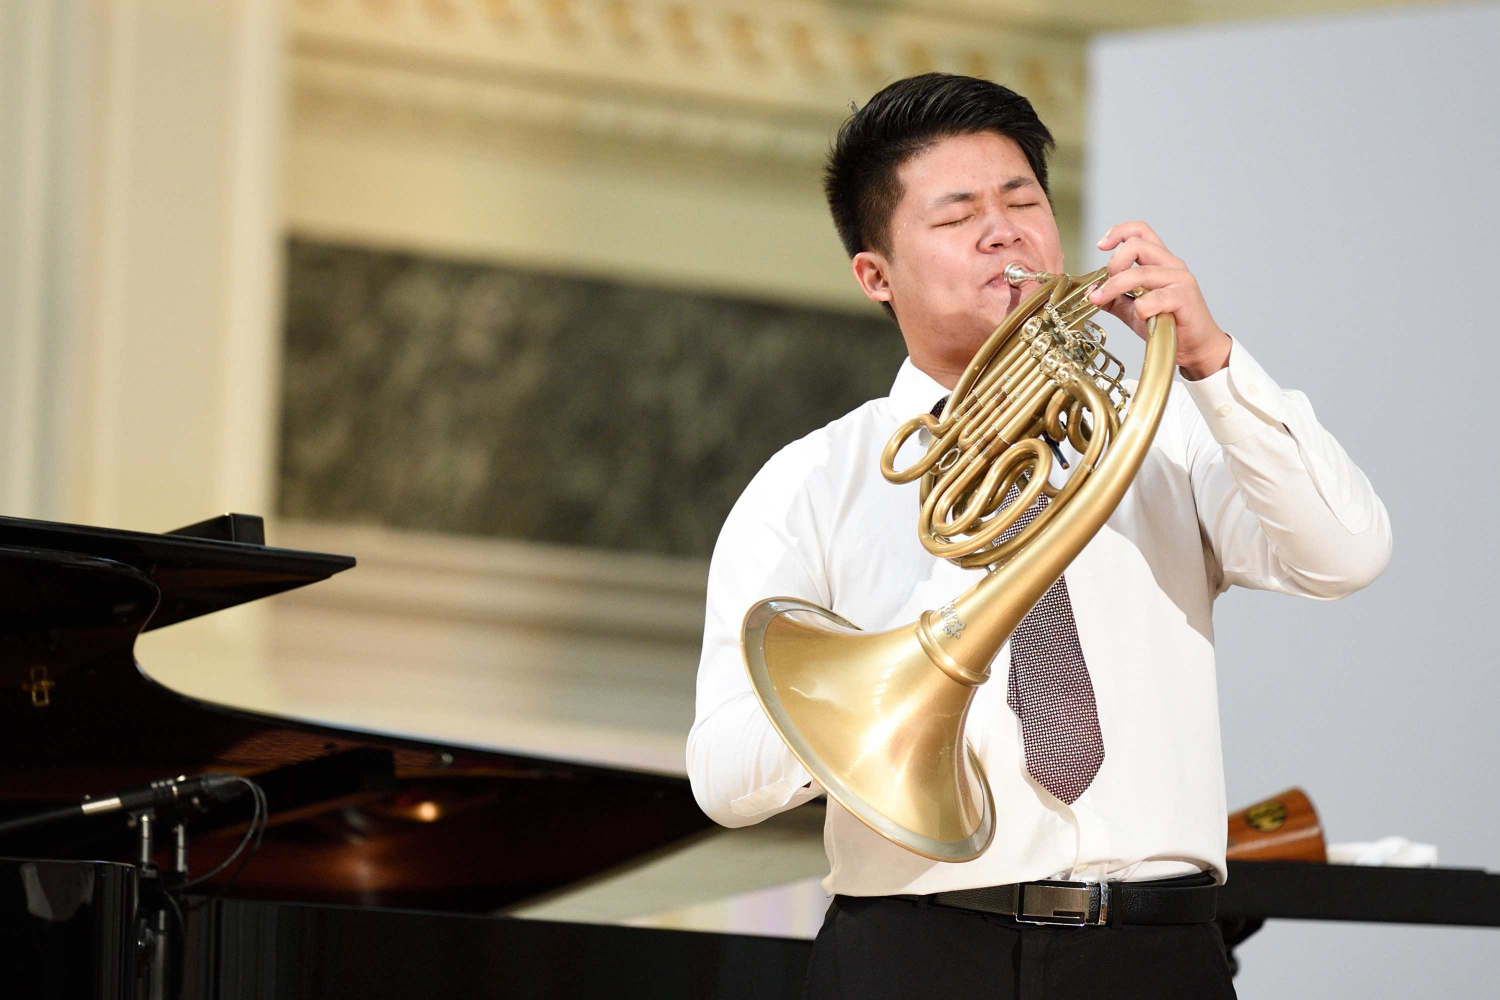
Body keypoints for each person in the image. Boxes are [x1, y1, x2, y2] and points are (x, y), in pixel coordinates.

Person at [685, 73, 1391, 999]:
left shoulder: (1165, 434)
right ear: (875, 275)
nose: (1004, 232)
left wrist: (1211, 362)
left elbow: (1345, 554)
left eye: (1023, 202)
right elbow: (723, 776)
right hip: (914, 950)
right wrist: (895, 667)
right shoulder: (810, 482)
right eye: (957, 215)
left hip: (1155, 950)